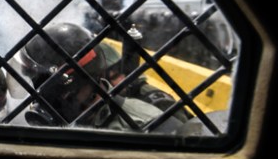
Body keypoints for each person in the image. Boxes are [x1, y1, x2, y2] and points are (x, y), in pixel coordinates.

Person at [15, 22, 181, 133]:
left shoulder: (146, 127)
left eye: (38, 81)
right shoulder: (74, 121)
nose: (36, 92)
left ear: (67, 84)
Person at [99, 42, 190, 123]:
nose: (122, 79)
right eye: (114, 76)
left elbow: (184, 135)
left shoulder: (156, 102)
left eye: (121, 72)